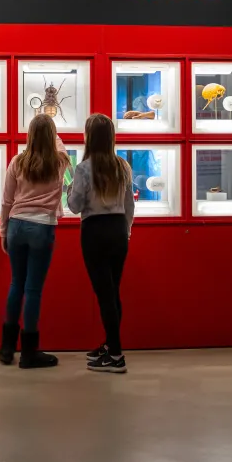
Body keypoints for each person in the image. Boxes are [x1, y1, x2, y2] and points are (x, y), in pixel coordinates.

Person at [0, 113, 70, 369]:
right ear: (51, 137)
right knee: (33, 290)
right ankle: (29, 352)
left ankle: (6, 348)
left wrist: (3, 232)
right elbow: (60, 144)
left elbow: (6, 201)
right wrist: (52, 132)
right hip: (43, 227)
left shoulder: (18, 161)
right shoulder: (60, 161)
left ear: (28, 135)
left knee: (16, 283)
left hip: (17, 224)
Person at [67, 113, 134, 374]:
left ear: (89, 137)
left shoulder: (85, 168)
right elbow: (129, 205)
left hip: (94, 230)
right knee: (112, 291)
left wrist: (71, 188)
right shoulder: (122, 166)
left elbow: (74, 207)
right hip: (118, 229)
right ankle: (110, 345)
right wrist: (126, 231)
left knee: (104, 293)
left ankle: (116, 354)